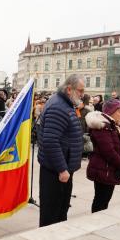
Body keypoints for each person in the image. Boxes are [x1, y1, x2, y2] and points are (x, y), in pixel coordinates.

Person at [37, 74, 84, 227]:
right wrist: (62, 169)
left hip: (61, 169)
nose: (83, 95)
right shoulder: (58, 106)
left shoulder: (65, 104)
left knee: (60, 212)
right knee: (52, 215)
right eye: (80, 91)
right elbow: (50, 141)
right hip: (56, 172)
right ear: (69, 89)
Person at [85, 99, 120, 213]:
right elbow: (108, 152)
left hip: (108, 169)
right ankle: (96, 223)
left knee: (103, 200)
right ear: (111, 111)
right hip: (104, 170)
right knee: (101, 201)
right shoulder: (103, 127)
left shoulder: (111, 125)